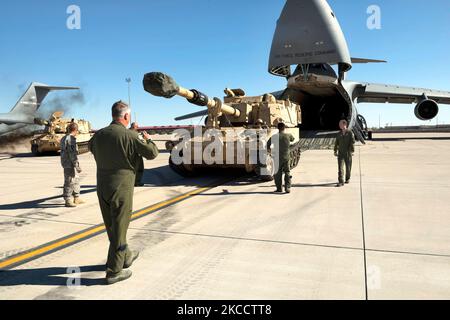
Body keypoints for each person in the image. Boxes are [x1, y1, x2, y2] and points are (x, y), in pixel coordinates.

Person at [89, 101, 159, 285]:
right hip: (121, 188)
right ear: (126, 116)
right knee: (120, 227)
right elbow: (152, 153)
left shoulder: (99, 135)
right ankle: (114, 271)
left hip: (102, 186)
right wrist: (147, 139)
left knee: (112, 226)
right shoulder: (130, 135)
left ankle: (125, 255)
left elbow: (90, 148)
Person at [60, 122, 84, 207]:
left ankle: (76, 197)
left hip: (67, 162)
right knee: (69, 181)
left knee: (75, 180)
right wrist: (77, 166)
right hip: (69, 163)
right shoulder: (71, 139)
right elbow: (72, 154)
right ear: (75, 130)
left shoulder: (63, 138)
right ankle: (68, 200)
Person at [268, 122, 295, 194]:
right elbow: (293, 139)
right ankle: (287, 187)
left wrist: (270, 152)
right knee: (287, 172)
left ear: (278, 128)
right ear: (284, 128)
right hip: (286, 157)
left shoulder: (274, 136)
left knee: (277, 173)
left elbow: (268, 145)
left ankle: (279, 188)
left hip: (277, 157)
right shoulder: (288, 135)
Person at [334, 119, 355, 187]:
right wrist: (335, 150)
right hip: (340, 153)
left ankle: (347, 178)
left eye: (340, 124)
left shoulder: (350, 133)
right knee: (340, 168)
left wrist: (352, 151)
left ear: (345, 124)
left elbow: (352, 142)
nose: (339, 125)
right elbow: (336, 143)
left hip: (348, 153)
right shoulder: (338, 134)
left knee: (348, 167)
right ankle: (341, 181)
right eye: (339, 124)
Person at [129, 122, 145, 187]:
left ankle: (131, 182)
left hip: (129, 154)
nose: (138, 128)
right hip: (137, 154)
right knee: (139, 169)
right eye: (137, 126)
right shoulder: (136, 134)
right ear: (134, 127)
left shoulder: (126, 132)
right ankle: (137, 182)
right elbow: (142, 143)